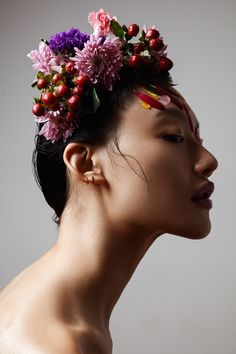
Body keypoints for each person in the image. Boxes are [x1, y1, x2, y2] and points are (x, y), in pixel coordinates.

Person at [0, 9, 218, 354]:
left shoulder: (65, 316)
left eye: (199, 141)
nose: (209, 161)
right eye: (174, 137)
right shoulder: (50, 343)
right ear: (85, 162)